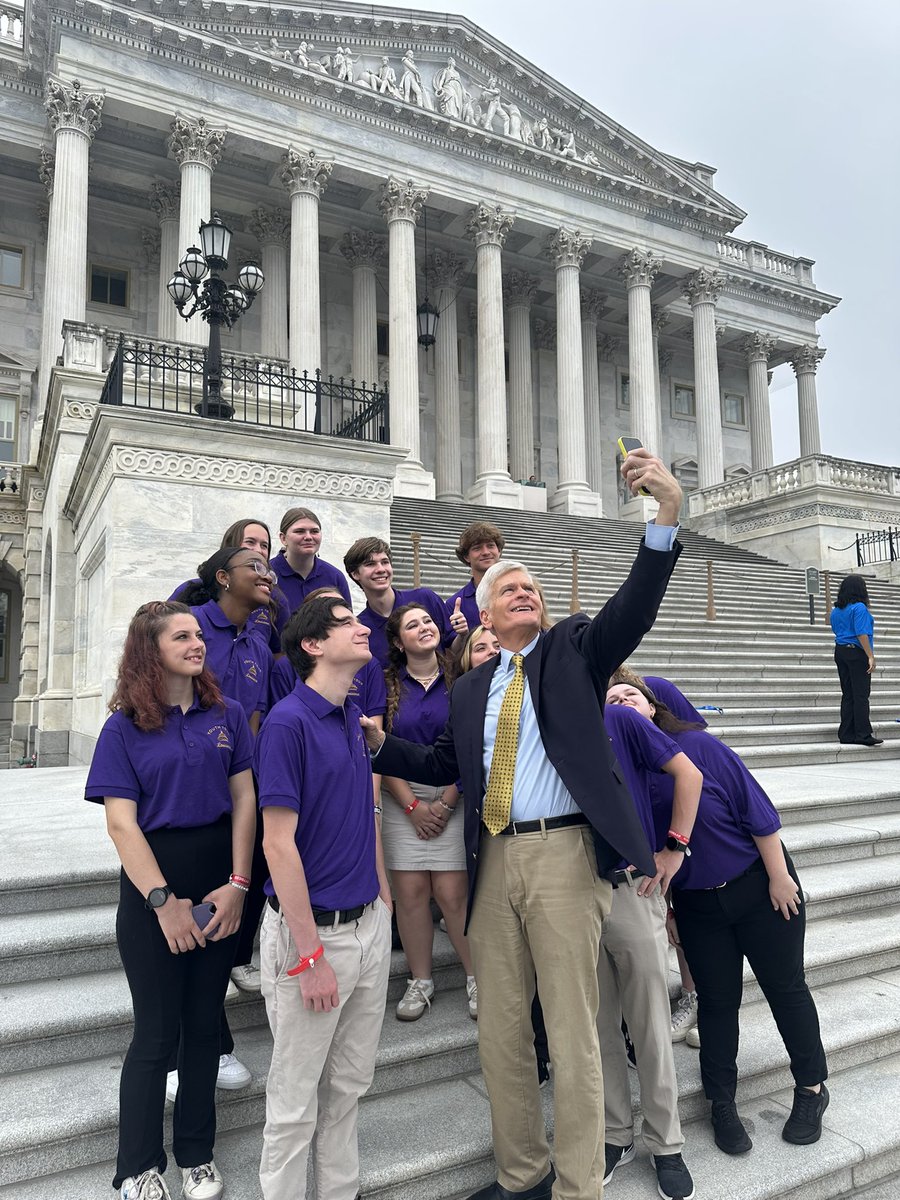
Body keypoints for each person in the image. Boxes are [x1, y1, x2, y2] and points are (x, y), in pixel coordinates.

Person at [361, 448, 683, 1200]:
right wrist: (380, 743)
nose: (525, 594)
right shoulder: (472, 685)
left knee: (573, 1030)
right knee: (502, 1028)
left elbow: (633, 608)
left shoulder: (574, 650)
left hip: (566, 853)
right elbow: (442, 762)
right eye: (509, 589)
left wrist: (664, 516)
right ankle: (522, 1173)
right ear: (479, 611)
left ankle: (578, 1184)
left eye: (532, 586)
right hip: (494, 858)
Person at [605, 679, 830, 1157]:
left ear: (653, 706)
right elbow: (649, 855)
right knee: (717, 1003)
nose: (622, 703)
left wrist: (779, 876)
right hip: (699, 907)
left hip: (760, 886)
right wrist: (669, 910)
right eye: (612, 700)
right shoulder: (623, 773)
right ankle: (721, 1102)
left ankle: (811, 1088)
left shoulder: (697, 747)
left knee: (786, 989)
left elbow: (756, 810)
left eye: (630, 696)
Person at [85, 601, 255, 1200]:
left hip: (220, 883)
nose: (196, 642)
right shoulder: (124, 726)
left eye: (197, 633)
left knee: (204, 1026)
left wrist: (237, 885)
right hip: (152, 884)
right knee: (156, 1033)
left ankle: (197, 1154)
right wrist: (164, 902)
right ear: (149, 650)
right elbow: (121, 827)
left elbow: (245, 803)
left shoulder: (226, 712)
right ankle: (137, 1165)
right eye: (180, 636)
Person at [254, 596, 392, 1200]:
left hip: (368, 926)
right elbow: (278, 846)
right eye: (346, 624)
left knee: (350, 1086)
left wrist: (382, 900)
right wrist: (308, 956)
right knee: (293, 1102)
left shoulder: (352, 714)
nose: (363, 628)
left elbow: (364, 810)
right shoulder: (287, 723)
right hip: (314, 939)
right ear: (312, 645)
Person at [173, 547, 275, 1096]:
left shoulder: (259, 637)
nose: (265, 572)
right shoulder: (195, 629)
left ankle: (212, 1042)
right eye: (253, 565)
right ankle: (197, 1048)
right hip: (189, 796)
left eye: (267, 566)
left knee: (231, 906)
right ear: (221, 579)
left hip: (240, 790)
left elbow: (252, 717)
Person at [596, 702, 701, 1200]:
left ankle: (666, 1142)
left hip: (629, 887)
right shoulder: (545, 721)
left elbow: (689, 773)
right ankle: (616, 1134)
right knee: (597, 1026)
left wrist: (675, 847)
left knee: (650, 1023)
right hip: (569, 896)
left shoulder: (619, 718)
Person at [381, 604, 476, 1021]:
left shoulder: (462, 677)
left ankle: (476, 977)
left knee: (453, 895)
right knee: (411, 895)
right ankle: (421, 981)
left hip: (455, 790)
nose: (424, 627)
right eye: (412, 624)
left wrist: (447, 800)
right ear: (399, 642)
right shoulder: (384, 683)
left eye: (427, 621)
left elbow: (474, 743)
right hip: (400, 794)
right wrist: (413, 806)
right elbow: (377, 746)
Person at [169, 518, 288, 656]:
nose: (258, 550)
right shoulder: (194, 597)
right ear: (223, 577)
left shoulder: (274, 598)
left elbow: (279, 653)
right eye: (250, 542)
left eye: (264, 546)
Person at [344, 536, 454, 666]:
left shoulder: (425, 598)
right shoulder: (361, 629)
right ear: (355, 574)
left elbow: (454, 648)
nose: (380, 569)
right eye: (370, 564)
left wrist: (462, 634)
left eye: (385, 562)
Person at [269, 507, 352, 616]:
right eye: (300, 531)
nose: (308, 537)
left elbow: (348, 623)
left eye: (314, 531)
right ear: (283, 538)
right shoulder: (268, 574)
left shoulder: (335, 577)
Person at [830, 574, 882, 746]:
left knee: (848, 694)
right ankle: (863, 734)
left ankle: (846, 733)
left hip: (840, 651)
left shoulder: (836, 610)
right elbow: (861, 633)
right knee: (861, 695)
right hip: (856, 652)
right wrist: (870, 656)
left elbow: (836, 630)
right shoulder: (859, 608)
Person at [446, 521, 505, 636]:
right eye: (477, 548)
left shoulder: (521, 592)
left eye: (490, 546)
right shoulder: (454, 604)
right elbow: (452, 651)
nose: (485, 552)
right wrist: (462, 635)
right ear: (466, 557)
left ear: (499, 550)